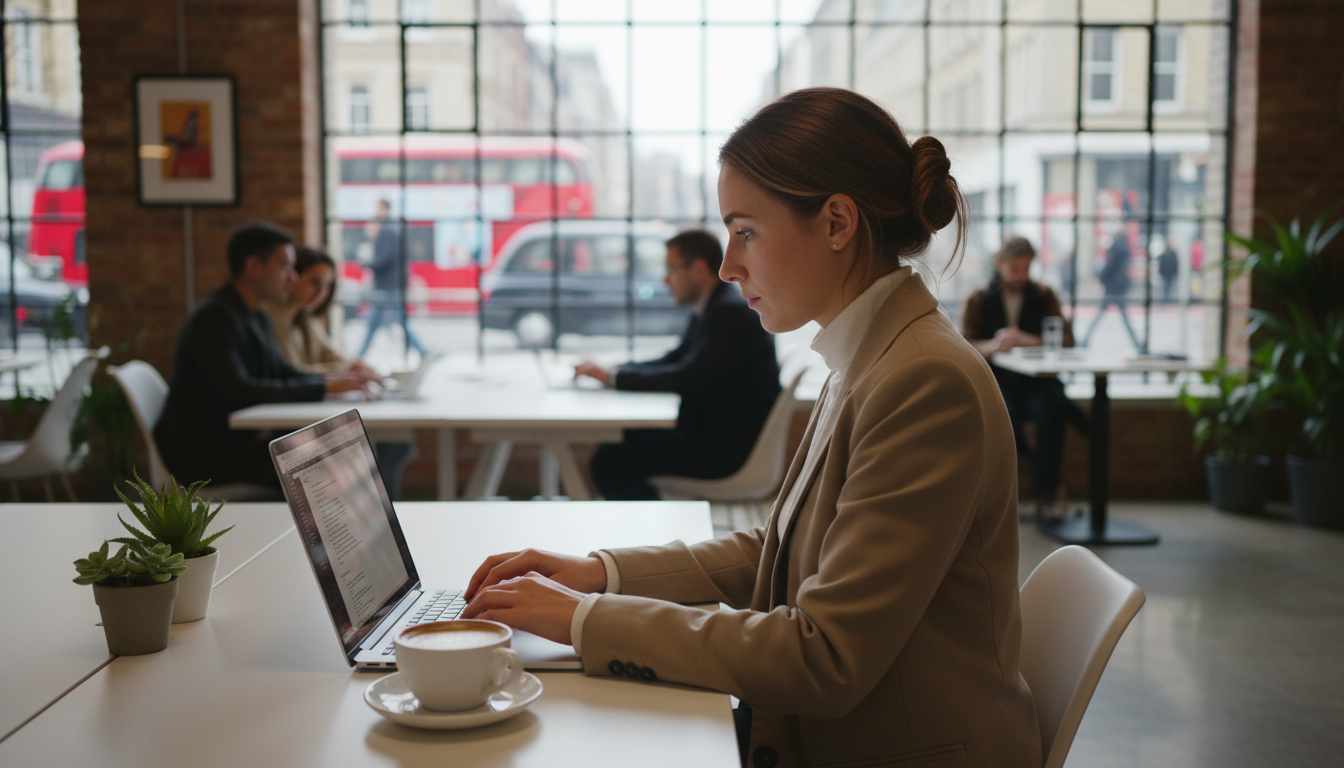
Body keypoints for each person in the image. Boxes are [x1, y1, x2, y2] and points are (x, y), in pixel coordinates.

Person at [462, 88, 1040, 768]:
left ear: (835, 223)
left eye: (745, 231)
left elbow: (824, 659)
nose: (730, 267)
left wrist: (580, 620)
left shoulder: (922, 380)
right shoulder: (874, 353)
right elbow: (779, 545)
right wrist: (597, 575)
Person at [155, 222, 376, 489]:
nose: (292, 278)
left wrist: (333, 381)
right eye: (285, 267)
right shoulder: (214, 318)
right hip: (202, 455)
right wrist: (324, 386)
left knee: (336, 450)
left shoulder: (256, 314)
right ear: (253, 268)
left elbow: (282, 371)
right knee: (327, 461)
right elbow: (241, 391)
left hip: (238, 441)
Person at [573, 230, 780, 500]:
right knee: (619, 443)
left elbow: (687, 376)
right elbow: (674, 359)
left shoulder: (729, 314)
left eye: (672, 269)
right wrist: (613, 371)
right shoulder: (714, 306)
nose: (665, 280)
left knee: (609, 462)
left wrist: (614, 377)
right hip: (713, 434)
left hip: (725, 450)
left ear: (698, 269)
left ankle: (650, 538)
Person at [961, 236, 1079, 522]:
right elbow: (962, 346)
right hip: (998, 383)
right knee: (1004, 420)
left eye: (1026, 268)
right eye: (1014, 268)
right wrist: (992, 346)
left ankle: (1044, 498)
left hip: (1037, 383)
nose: (1021, 276)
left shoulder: (1043, 294)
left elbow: (1067, 340)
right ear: (998, 265)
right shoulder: (979, 299)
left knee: (1052, 408)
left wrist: (1026, 340)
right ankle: (1023, 488)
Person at [357, 199, 429, 359]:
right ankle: (422, 350)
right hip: (392, 284)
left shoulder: (387, 231)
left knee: (383, 321)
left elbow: (385, 258)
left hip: (388, 285)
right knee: (382, 321)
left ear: (385, 210)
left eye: (378, 208)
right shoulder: (392, 229)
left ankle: (359, 355)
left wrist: (367, 264)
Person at [1081, 232, 1144, 350]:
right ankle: (1137, 344)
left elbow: (1109, 265)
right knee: (1124, 317)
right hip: (1120, 287)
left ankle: (1085, 340)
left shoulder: (1115, 247)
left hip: (1112, 287)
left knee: (1100, 315)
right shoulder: (1126, 247)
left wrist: (1099, 277)